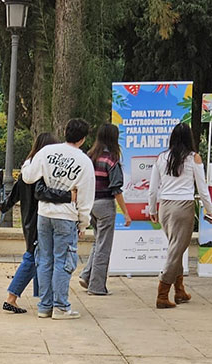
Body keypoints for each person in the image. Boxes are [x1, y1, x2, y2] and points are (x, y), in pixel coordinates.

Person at [21, 118, 95, 319]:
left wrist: (29, 161)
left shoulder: (46, 152)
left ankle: (45, 306)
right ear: (82, 139)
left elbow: (28, 176)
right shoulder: (84, 162)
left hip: (44, 213)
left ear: (65, 132)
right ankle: (61, 306)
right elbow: (86, 196)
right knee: (63, 261)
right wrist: (83, 222)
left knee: (45, 259)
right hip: (66, 215)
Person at [148, 122, 212, 308]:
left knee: (175, 248)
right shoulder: (194, 158)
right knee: (175, 251)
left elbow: (153, 190)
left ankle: (180, 291)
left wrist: (152, 209)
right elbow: (202, 189)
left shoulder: (161, 158)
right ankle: (162, 293)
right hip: (183, 207)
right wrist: (209, 210)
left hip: (165, 208)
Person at [0, 132, 57, 313]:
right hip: (41, 220)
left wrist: (3, 206)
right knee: (32, 258)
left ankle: (43, 296)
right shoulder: (42, 171)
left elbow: (15, 192)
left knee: (38, 257)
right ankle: (11, 296)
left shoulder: (28, 168)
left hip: (27, 220)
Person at [78, 123, 133, 296]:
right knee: (104, 247)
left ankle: (87, 275)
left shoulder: (89, 157)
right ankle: (97, 286)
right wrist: (126, 212)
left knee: (98, 242)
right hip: (105, 205)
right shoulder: (112, 160)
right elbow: (116, 189)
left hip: (89, 204)